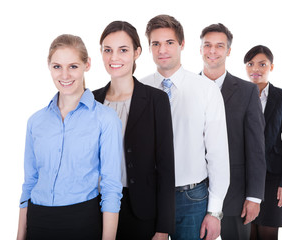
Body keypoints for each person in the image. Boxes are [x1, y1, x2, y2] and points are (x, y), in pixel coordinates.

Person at [16, 34, 123, 240]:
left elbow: (111, 187)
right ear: (49, 66)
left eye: (73, 66)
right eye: (57, 67)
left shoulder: (106, 119)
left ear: (87, 64)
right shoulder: (35, 122)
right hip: (38, 221)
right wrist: (20, 236)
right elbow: (29, 183)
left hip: (81, 221)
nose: (64, 75)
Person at [141, 15, 230, 240]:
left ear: (182, 44)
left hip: (191, 198)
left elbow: (218, 153)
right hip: (149, 196)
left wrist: (214, 211)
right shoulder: (138, 88)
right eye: (155, 43)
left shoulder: (206, 89)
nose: (162, 49)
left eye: (169, 42)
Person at [93, 21, 175, 240]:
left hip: (141, 210)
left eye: (123, 50)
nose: (114, 58)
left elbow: (166, 166)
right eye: (107, 50)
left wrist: (163, 227)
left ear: (137, 52)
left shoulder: (156, 100)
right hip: (97, 206)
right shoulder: (91, 100)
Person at [199, 23, 266, 240]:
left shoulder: (247, 92)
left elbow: (256, 148)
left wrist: (254, 197)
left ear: (228, 51)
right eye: (207, 45)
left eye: (219, 46)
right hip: (193, 194)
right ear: (200, 49)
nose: (212, 51)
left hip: (236, 195)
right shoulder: (186, 88)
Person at [244, 45, 282, 240]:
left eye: (262, 64)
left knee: (267, 232)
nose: (255, 69)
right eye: (250, 64)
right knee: (247, 232)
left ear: (271, 67)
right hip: (245, 176)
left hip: (273, 178)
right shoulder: (240, 95)